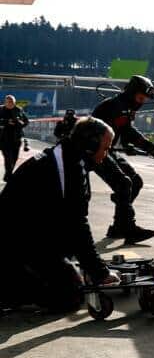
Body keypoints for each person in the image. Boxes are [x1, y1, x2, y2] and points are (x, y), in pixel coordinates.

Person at [0, 117, 120, 312]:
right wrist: (99, 272)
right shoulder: (63, 167)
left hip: (31, 234)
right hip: (14, 243)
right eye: (105, 149)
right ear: (90, 146)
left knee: (68, 264)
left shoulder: (67, 158)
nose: (106, 155)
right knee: (69, 295)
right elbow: (77, 225)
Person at [92, 75, 154, 244]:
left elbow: (125, 131)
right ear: (131, 93)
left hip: (107, 149)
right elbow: (129, 133)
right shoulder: (116, 107)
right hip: (95, 151)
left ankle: (119, 225)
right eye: (140, 98)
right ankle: (128, 227)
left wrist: (149, 149)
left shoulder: (124, 107)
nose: (141, 102)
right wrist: (153, 150)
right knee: (124, 184)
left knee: (136, 182)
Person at [0, 94, 29, 181]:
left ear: (14, 102)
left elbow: (26, 121)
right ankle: (9, 175)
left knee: (15, 158)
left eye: (12, 102)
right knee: (8, 158)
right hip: (3, 138)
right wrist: (7, 121)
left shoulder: (19, 109)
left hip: (16, 138)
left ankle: (8, 174)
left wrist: (20, 123)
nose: (10, 103)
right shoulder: (1, 109)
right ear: (5, 102)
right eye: (8, 102)